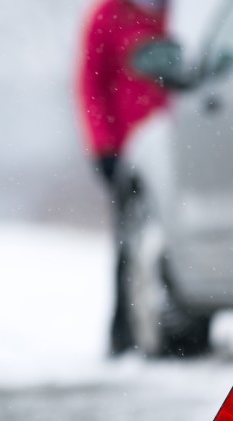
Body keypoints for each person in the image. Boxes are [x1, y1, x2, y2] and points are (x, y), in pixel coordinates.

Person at [77, 0, 170, 356]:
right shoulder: (108, 15)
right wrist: (103, 147)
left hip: (178, 149)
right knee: (129, 242)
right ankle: (124, 332)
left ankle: (177, 331)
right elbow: (91, 86)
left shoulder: (175, 13)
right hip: (128, 154)